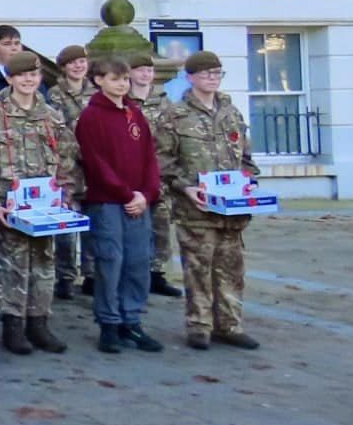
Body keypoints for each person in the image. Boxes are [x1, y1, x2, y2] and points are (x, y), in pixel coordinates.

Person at [0, 52, 82, 357]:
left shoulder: (52, 116)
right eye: (22, 75)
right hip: (10, 207)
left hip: (45, 207)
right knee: (12, 266)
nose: (28, 80)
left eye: (33, 75)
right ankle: (13, 325)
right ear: (10, 78)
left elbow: (68, 158)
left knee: (44, 265)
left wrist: (66, 193)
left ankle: (39, 322)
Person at [156, 51, 262, 351]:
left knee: (231, 270)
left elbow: (247, 157)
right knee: (198, 270)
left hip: (232, 210)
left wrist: (250, 182)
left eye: (217, 73)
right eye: (206, 74)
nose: (213, 78)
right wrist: (186, 187)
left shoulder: (231, 113)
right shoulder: (175, 116)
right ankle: (199, 326)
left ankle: (229, 325)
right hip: (197, 209)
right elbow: (162, 161)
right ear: (190, 77)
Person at [76, 56, 164, 354]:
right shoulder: (91, 116)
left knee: (138, 261)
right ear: (99, 80)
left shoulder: (134, 113)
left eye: (125, 79)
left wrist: (146, 193)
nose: (122, 84)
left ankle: (132, 320)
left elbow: (150, 156)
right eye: (115, 79)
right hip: (108, 202)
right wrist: (126, 194)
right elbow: (96, 162)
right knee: (110, 262)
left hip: (138, 201)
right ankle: (109, 323)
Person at [127, 50, 182, 299]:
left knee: (160, 227)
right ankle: (134, 275)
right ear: (129, 74)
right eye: (141, 70)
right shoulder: (124, 101)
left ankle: (157, 274)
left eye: (149, 70)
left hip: (159, 174)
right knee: (134, 228)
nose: (146, 74)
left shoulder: (165, 102)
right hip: (132, 176)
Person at [47, 45, 95, 300]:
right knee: (65, 226)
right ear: (64, 67)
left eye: (81, 61)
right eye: (72, 63)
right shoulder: (55, 95)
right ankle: (64, 276)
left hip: (94, 167)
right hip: (67, 166)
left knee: (93, 224)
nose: (78, 66)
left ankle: (91, 274)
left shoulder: (97, 92)